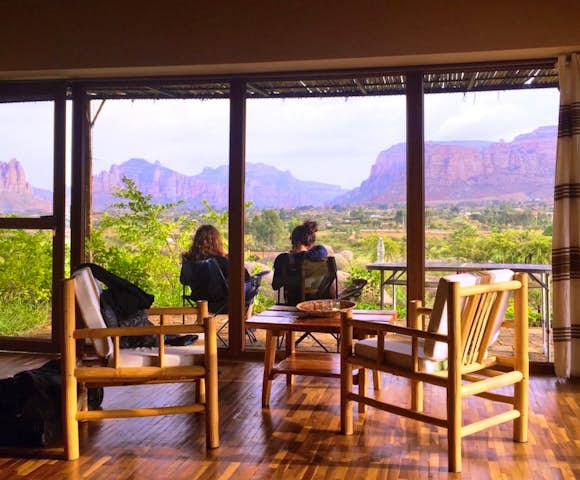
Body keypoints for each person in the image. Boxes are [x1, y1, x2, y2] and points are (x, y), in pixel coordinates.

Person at [180, 224, 251, 312]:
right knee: (250, 294)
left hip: (199, 301)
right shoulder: (220, 261)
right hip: (221, 303)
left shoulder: (188, 260)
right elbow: (246, 277)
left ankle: (201, 322)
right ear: (217, 242)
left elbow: (183, 280)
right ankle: (246, 324)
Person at [272, 220, 330, 305]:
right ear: (311, 242)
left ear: (293, 240)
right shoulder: (319, 258)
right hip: (318, 306)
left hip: (293, 306)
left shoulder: (283, 259)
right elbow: (322, 250)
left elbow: (275, 285)